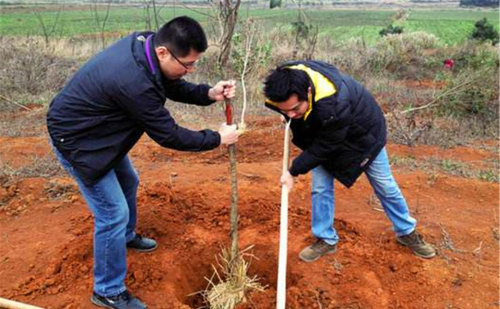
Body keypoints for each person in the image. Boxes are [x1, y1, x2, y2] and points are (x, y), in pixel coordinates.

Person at [47, 16, 239, 309]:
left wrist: (207, 93)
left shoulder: (148, 47)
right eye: (187, 64)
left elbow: (170, 83)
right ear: (164, 52)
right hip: (79, 141)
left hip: (102, 134)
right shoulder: (132, 80)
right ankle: (107, 290)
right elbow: (169, 135)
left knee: (129, 180)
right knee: (112, 213)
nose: (190, 69)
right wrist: (216, 138)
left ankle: (124, 237)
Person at [263, 60, 436, 263]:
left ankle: (406, 231)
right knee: (320, 187)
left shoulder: (334, 103)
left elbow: (326, 146)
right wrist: (290, 113)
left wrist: (293, 171)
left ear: (308, 92)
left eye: (294, 108)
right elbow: (308, 128)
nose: (290, 115)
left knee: (384, 185)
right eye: (285, 110)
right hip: (323, 133)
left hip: (364, 136)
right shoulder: (288, 82)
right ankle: (325, 239)